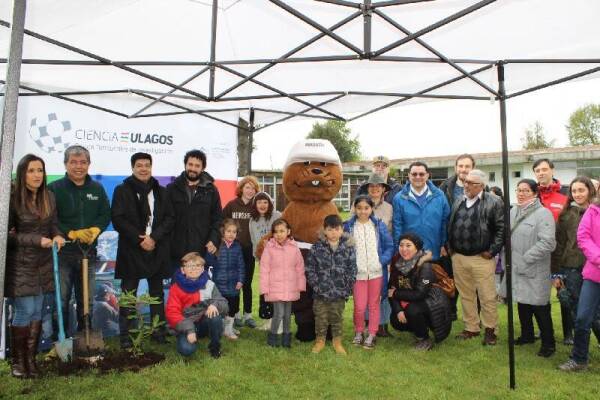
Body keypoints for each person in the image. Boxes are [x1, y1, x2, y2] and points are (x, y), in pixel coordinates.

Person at [6, 154, 65, 378]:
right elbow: (6, 236)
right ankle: (17, 363)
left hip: (44, 264)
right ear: (22, 173)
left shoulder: (49, 196)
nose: (36, 175)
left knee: (38, 311)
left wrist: (58, 236)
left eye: (40, 170)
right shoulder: (11, 198)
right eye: (31, 170)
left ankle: (31, 362)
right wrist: (35, 240)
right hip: (20, 264)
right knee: (25, 311)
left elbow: (54, 226)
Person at [111, 152, 175, 349]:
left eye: (147, 165)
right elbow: (118, 218)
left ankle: (159, 331)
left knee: (156, 293)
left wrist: (153, 238)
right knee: (128, 294)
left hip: (156, 248)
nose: (143, 169)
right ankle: (127, 335)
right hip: (132, 248)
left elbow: (170, 218)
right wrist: (140, 239)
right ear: (132, 168)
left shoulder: (162, 191)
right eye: (139, 165)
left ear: (151, 167)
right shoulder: (122, 190)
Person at [48, 145, 111, 335]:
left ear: (89, 164)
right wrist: (71, 233)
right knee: (62, 299)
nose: (78, 166)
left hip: (88, 254)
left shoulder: (97, 188)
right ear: (65, 164)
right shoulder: (54, 188)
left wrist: (96, 229)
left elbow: (105, 213)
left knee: (87, 299)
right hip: (63, 254)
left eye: (83, 162)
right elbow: (50, 219)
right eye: (73, 162)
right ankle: (61, 339)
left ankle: (85, 336)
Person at [447, 170, 504, 345]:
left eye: (471, 183)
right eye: (465, 182)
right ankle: (471, 327)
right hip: (459, 257)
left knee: (487, 296)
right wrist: (451, 248)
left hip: (482, 258)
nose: (466, 185)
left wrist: (492, 251)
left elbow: (502, 229)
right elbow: (450, 224)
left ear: (481, 186)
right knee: (466, 295)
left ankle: (490, 330)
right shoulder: (458, 200)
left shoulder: (494, 202)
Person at [502, 179, 556, 357]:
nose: (521, 193)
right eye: (518, 190)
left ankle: (549, 344)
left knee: (540, 307)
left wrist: (526, 259)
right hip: (516, 267)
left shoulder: (543, 214)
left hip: (534, 268)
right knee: (522, 302)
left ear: (534, 193)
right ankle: (527, 335)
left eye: (525, 190)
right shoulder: (513, 211)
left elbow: (548, 243)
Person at [551, 177, 597, 346]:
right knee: (578, 311)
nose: (577, 194)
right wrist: (555, 273)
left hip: (594, 267)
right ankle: (579, 351)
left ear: (590, 190)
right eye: (574, 191)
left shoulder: (596, 212)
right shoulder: (565, 215)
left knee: (596, 312)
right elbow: (558, 246)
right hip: (571, 268)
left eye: (581, 190)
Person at [344, 195, 394, 349]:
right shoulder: (349, 227)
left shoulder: (378, 226)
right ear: (354, 209)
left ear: (371, 209)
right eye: (359, 208)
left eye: (366, 208)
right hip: (358, 274)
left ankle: (372, 333)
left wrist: (381, 261)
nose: (362, 211)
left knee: (373, 305)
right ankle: (359, 332)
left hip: (376, 273)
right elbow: (343, 248)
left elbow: (389, 246)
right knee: (359, 306)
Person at [388, 233, 451, 350]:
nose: (404, 249)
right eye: (401, 245)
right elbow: (391, 289)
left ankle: (424, 339)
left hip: (432, 304)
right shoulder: (397, 263)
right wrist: (398, 310)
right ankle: (419, 328)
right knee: (395, 320)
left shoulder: (425, 266)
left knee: (412, 310)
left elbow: (420, 294)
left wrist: (396, 294)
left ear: (416, 247)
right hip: (412, 301)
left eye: (408, 245)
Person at [558, 194, 600, 371]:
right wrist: (598, 258)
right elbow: (583, 237)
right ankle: (579, 359)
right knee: (583, 317)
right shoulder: (593, 211)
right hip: (594, 274)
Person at [306, 214, 357, 355]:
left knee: (336, 317)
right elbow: (310, 269)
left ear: (342, 230)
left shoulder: (348, 248)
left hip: (339, 292)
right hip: (320, 292)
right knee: (320, 317)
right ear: (324, 231)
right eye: (329, 229)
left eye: (336, 229)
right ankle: (320, 340)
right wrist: (317, 286)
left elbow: (352, 270)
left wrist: (346, 288)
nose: (333, 233)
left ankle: (337, 341)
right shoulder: (317, 248)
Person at [166, 149, 223, 266]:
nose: (193, 168)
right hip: (176, 252)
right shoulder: (171, 189)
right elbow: (166, 218)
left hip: (202, 250)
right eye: (190, 164)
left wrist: (214, 239)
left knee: (200, 284)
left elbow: (217, 218)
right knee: (177, 284)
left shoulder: (211, 190)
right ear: (185, 165)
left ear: (202, 168)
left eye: (197, 166)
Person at [166, 252, 227, 359]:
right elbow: (172, 313)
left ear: (203, 268)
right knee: (186, 350)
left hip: (203, 323)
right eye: (190, 265)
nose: (194, 268)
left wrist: (215, 305)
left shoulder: (209, 284)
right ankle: (189, 335)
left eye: (197, 265)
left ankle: (215, 347)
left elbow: (224, 305)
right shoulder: (175, 288)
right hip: (186, 324)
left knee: (215, 315)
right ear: (182, 269)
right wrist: (189, 329)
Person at [260, 219, 306, 348]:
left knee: (287, 315)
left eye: (282, 231)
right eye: (276, 232)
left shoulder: (294, 248)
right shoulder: (269, 248)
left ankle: (286, 339)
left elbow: (299, 268)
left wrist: (300, 285)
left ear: (288, 232)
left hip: (291, 287)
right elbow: (264, 269)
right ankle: (273, 338)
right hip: (275, 288)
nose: (279, 234)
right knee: (278, 313)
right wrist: (265, 288)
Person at [392, 161, 450, 260]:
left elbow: (445, 222)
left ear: (427, 175)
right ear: (409, 176)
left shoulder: (439, 196)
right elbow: (397, 226)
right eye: (414, 174)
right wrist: (400, 249)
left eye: (421, 174)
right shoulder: (399, 198)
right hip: (410, 254)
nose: (418, 177)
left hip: (434, 251)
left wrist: (444, 244)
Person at [223, 176, 260, 328]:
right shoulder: (232, 205)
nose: (250, 191)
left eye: (253, 188)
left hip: (250, 249)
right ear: (241, 188)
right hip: (234, 250)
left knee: (247, 283)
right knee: (235, 282)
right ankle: (236, 313)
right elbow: (222, 222)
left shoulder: (256, 206)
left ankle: (248, 314)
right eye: (247, 187)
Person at [204, 219, 245, 340]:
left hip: (234, 284)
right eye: (228, 231)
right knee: (221, 307)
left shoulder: (237, 247)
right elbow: (208, 264)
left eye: (234, 232)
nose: (231, 234)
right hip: (219, 284)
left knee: (233, 307)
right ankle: (221, 328)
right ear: (223, 232)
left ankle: (229, 328)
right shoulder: (216, 245)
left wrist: (240, 280)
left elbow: (241, 265)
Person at [363, 173, 393, 337]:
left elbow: (392, 232)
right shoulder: (358, 206)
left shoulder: (389, 208)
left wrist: (388, 258)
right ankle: (368, 323)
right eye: (372, 186)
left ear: (383, 190)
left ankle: (383, 325)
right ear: (368, 189)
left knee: (383, 289)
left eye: (378, 186)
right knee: (367, 290)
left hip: (382, 255)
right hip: (364, 256)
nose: (375, 189)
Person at [248, 192, 281, 331]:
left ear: (270, 203)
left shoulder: (277, 216)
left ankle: (278, 322)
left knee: (277, 291)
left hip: (278, 260)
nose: (262, 205)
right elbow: (254, 241)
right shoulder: (252, 220)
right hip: (263, 261)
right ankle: (268, 320)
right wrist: (258, 257)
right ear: (255, 205)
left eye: (265, 202)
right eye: (259, 202)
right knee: (266, 291)